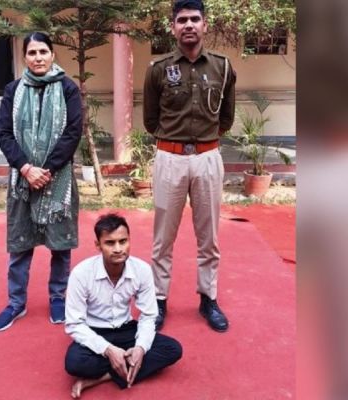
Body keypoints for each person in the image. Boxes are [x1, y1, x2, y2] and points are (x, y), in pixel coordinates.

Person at [142, 0, 236, 332]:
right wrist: (174, 144)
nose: (189, 25)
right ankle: (158, 300)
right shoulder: (158, 69)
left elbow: (226, 117)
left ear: (205, 24)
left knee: (209, 237)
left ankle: (208, 298)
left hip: (208, 158)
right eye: (182, 20)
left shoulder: (223, 67)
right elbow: (150, 119)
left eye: (195, 19)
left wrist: (205, 143)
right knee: (162, 238)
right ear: (173, 28)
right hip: (170, 159)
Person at [0, 32, 83, 331]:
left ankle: (58, 298)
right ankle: (16, 303)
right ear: (25, 57)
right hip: (22, 180)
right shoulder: (13, 90)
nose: (38, 57)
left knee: (60, 245)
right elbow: (4, 132)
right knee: (20, 244)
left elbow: (73, 132)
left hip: (58, 180)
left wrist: (47, 170)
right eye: (32, 52)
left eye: (43, 51)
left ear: (53, 54)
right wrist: (26, 168)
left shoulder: (68, 88)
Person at [64, 214, 183, 398]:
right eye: (110, 243)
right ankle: (124, 367)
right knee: (74, 363)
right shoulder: (81, 274)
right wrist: (108, 350)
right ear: (98, 245)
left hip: (126, 329)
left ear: (129, 240)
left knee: (173, 349)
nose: (118, 249)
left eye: (123, 241)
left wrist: (140, 348)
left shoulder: (142, 270)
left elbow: (148, 315)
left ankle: (101, 378)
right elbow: (74, 324)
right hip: (95, 330)